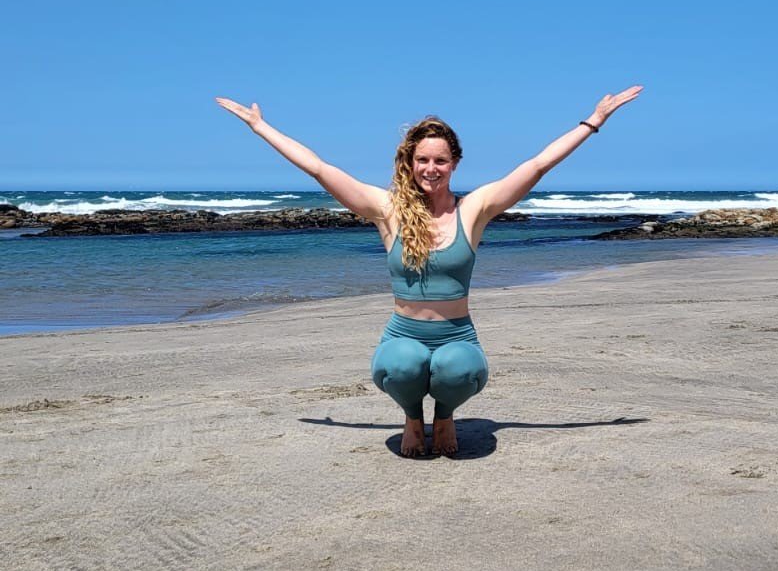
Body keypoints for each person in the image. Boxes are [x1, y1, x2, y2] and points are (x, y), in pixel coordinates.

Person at [215, 90, 643, 457]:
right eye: (422, 160)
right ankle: (411, 417)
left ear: (454, 163)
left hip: (458, 336)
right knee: (403, 365)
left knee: (457, 370)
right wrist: (261, 127)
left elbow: (536, 166)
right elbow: (319, 168)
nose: (431, 168)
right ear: (410, 162)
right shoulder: (388, 211)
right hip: (402, 335)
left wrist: (593, 121)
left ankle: (444, 415)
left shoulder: (473, 210)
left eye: (440, 160)